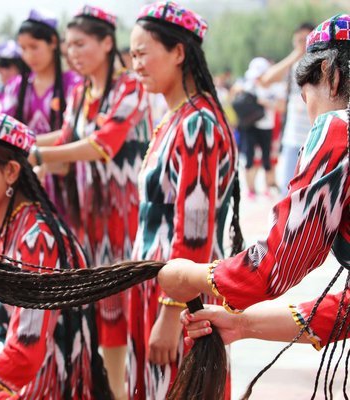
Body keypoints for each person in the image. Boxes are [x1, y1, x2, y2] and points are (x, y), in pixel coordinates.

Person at [157, 12, 350, 364]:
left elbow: (278, 263)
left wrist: (189, 275)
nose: (308, 109)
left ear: (329, 77)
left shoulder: (339, 127)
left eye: (305, 95)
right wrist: (243, 325)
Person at [31, 5, 152, 399]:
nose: (72, 52)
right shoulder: (82, 92)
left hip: (127, 217)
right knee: (102, 312)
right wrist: (16, 147)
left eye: (81, 43)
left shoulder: (130, 88)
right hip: (89, 218)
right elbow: (65, 136)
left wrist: (36, 156)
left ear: (105, 43)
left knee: (124, 312)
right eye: (68, 45)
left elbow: (103, 146)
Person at [127, 2, 242, 398]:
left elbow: (194, 231)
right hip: (161, 286)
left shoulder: (198, 124)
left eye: (142, 53)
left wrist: (170, 311)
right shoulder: (175, 117)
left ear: (178, 53)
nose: (135, 64)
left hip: (181, 297)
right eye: (132, 55)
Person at [0, 109, 110, 399]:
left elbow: (22, 359)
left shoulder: (39, 239)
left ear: (11, 171)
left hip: (47, 388)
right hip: (11, 381)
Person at [0, 8, 81, 135]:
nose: (29, 56)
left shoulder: (73, 84)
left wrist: (30, 146)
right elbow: (1, 128)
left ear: (53, 42)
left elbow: (75, 132)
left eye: (34, 47)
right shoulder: (15, 87)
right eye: (23, 48)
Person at [259, 22, 315, 195]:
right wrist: (297, 54)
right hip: (293, 139)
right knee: (288, 193)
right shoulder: (292, 66)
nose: (303, 43)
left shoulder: (323, 64)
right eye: (299, 40)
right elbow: (266, 80)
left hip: (315, 137)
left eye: (307, 39)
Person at [239, 57, 285, 199]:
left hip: (267, 126)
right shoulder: (249, 85)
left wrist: (265, 103)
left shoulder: (276, 87)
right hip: (250, 126)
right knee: (250, 158)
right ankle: (251, 189)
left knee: (267, 158)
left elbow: (281, 107)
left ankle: (268, 187)